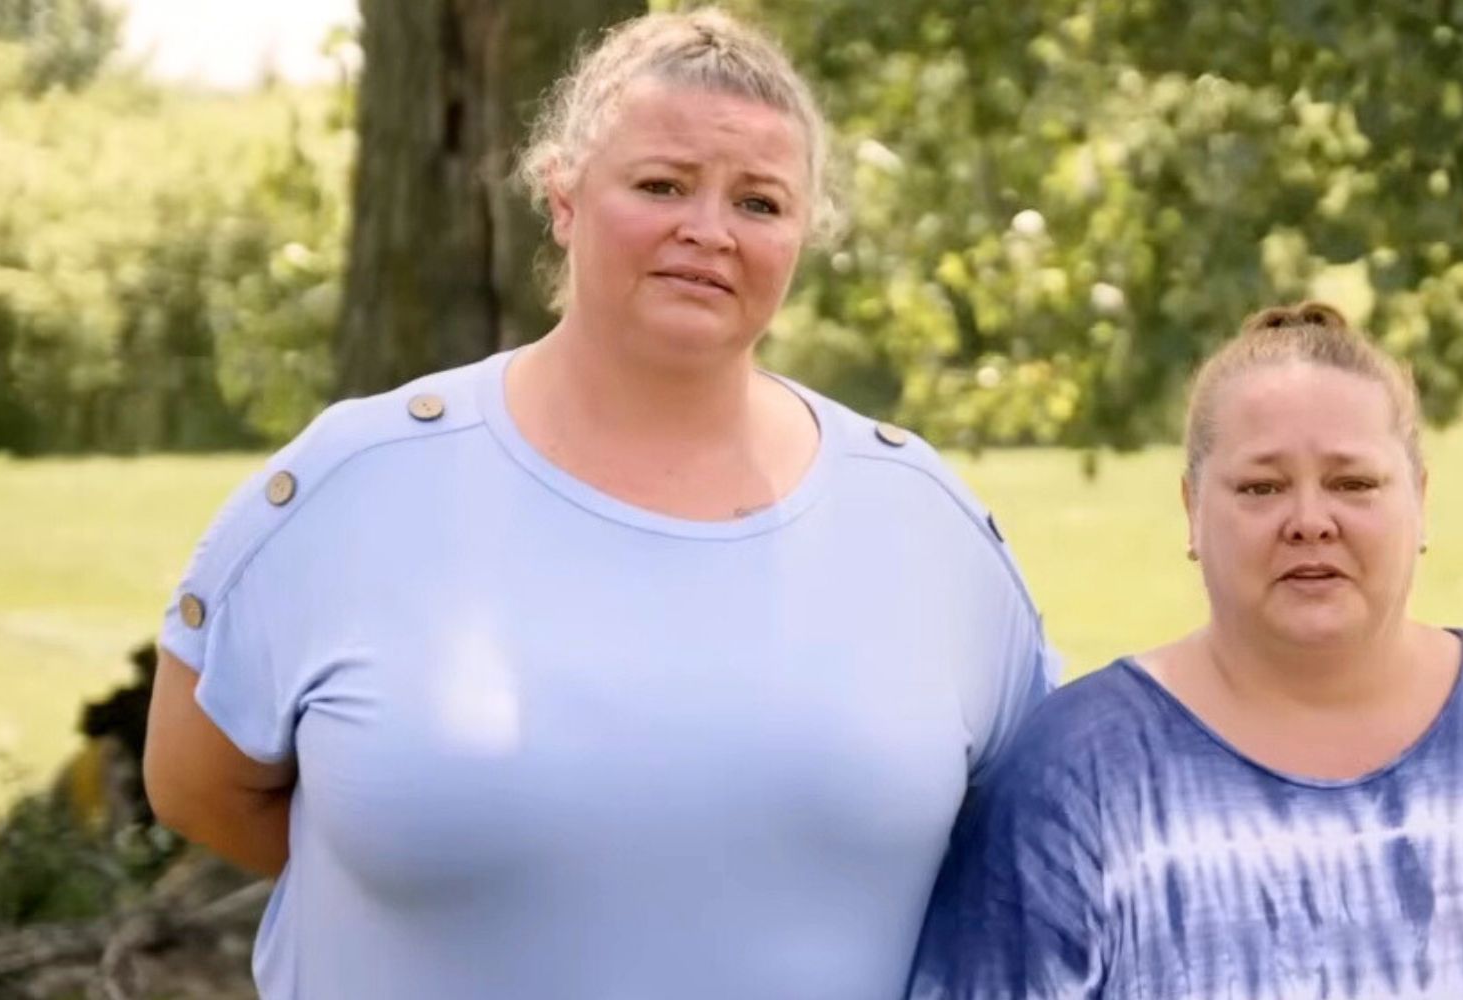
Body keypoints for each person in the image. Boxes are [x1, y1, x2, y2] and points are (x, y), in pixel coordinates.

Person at [141, 9, 1053, 999]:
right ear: (563, 196)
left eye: (759, 202)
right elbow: (196, 785)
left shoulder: (922, 525)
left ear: (804, 234)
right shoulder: (353, 484)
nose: (707, 231)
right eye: (661, 185)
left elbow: (1025, 844)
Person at [907, 301, 1463, 1000]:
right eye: (1261, 486)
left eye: (1354, 482)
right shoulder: (1077, 775)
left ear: (1419, 501)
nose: (1310, 520)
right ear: (1192, 510)